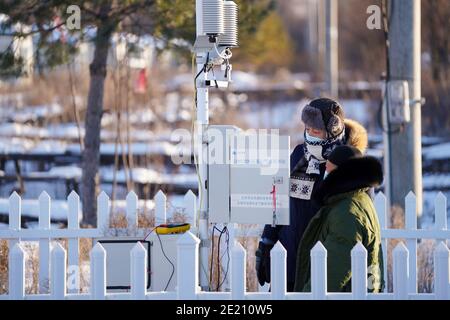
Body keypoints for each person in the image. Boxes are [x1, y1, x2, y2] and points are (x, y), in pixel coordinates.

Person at [255, 98, 369, 291]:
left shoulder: (349, 162)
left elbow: (358, 215)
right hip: (288, 259)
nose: (310, 135)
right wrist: (267, 242)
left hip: (325, 265)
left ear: (333, 130)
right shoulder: (300, 154)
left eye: (315, 131)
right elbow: (281, 200)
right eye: (307, 129)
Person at [294, 146, 385, 292]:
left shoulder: (347, 213)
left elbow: (330, 275)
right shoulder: (357, 200)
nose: (326, 176)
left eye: (330, 172)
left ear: (343, 175)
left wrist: (307, 296)